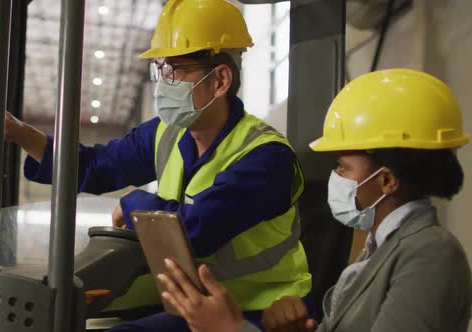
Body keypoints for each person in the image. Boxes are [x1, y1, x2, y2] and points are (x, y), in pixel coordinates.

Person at [0, 0, 312, 330]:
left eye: (174, 70)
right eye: (159, 69)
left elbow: (195, 231)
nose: (162, 83)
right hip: (185, 299)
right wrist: (21, 134)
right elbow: (94, 167)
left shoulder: (267, 157)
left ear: (220, 80)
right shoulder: (168, 133)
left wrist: (132, 205)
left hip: (256, 310)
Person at [158, 68, 472, 332]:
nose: (335, 177)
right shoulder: (378, 250)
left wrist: (231, 328)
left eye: (342, 167)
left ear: (386, 180)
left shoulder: (431, 254)